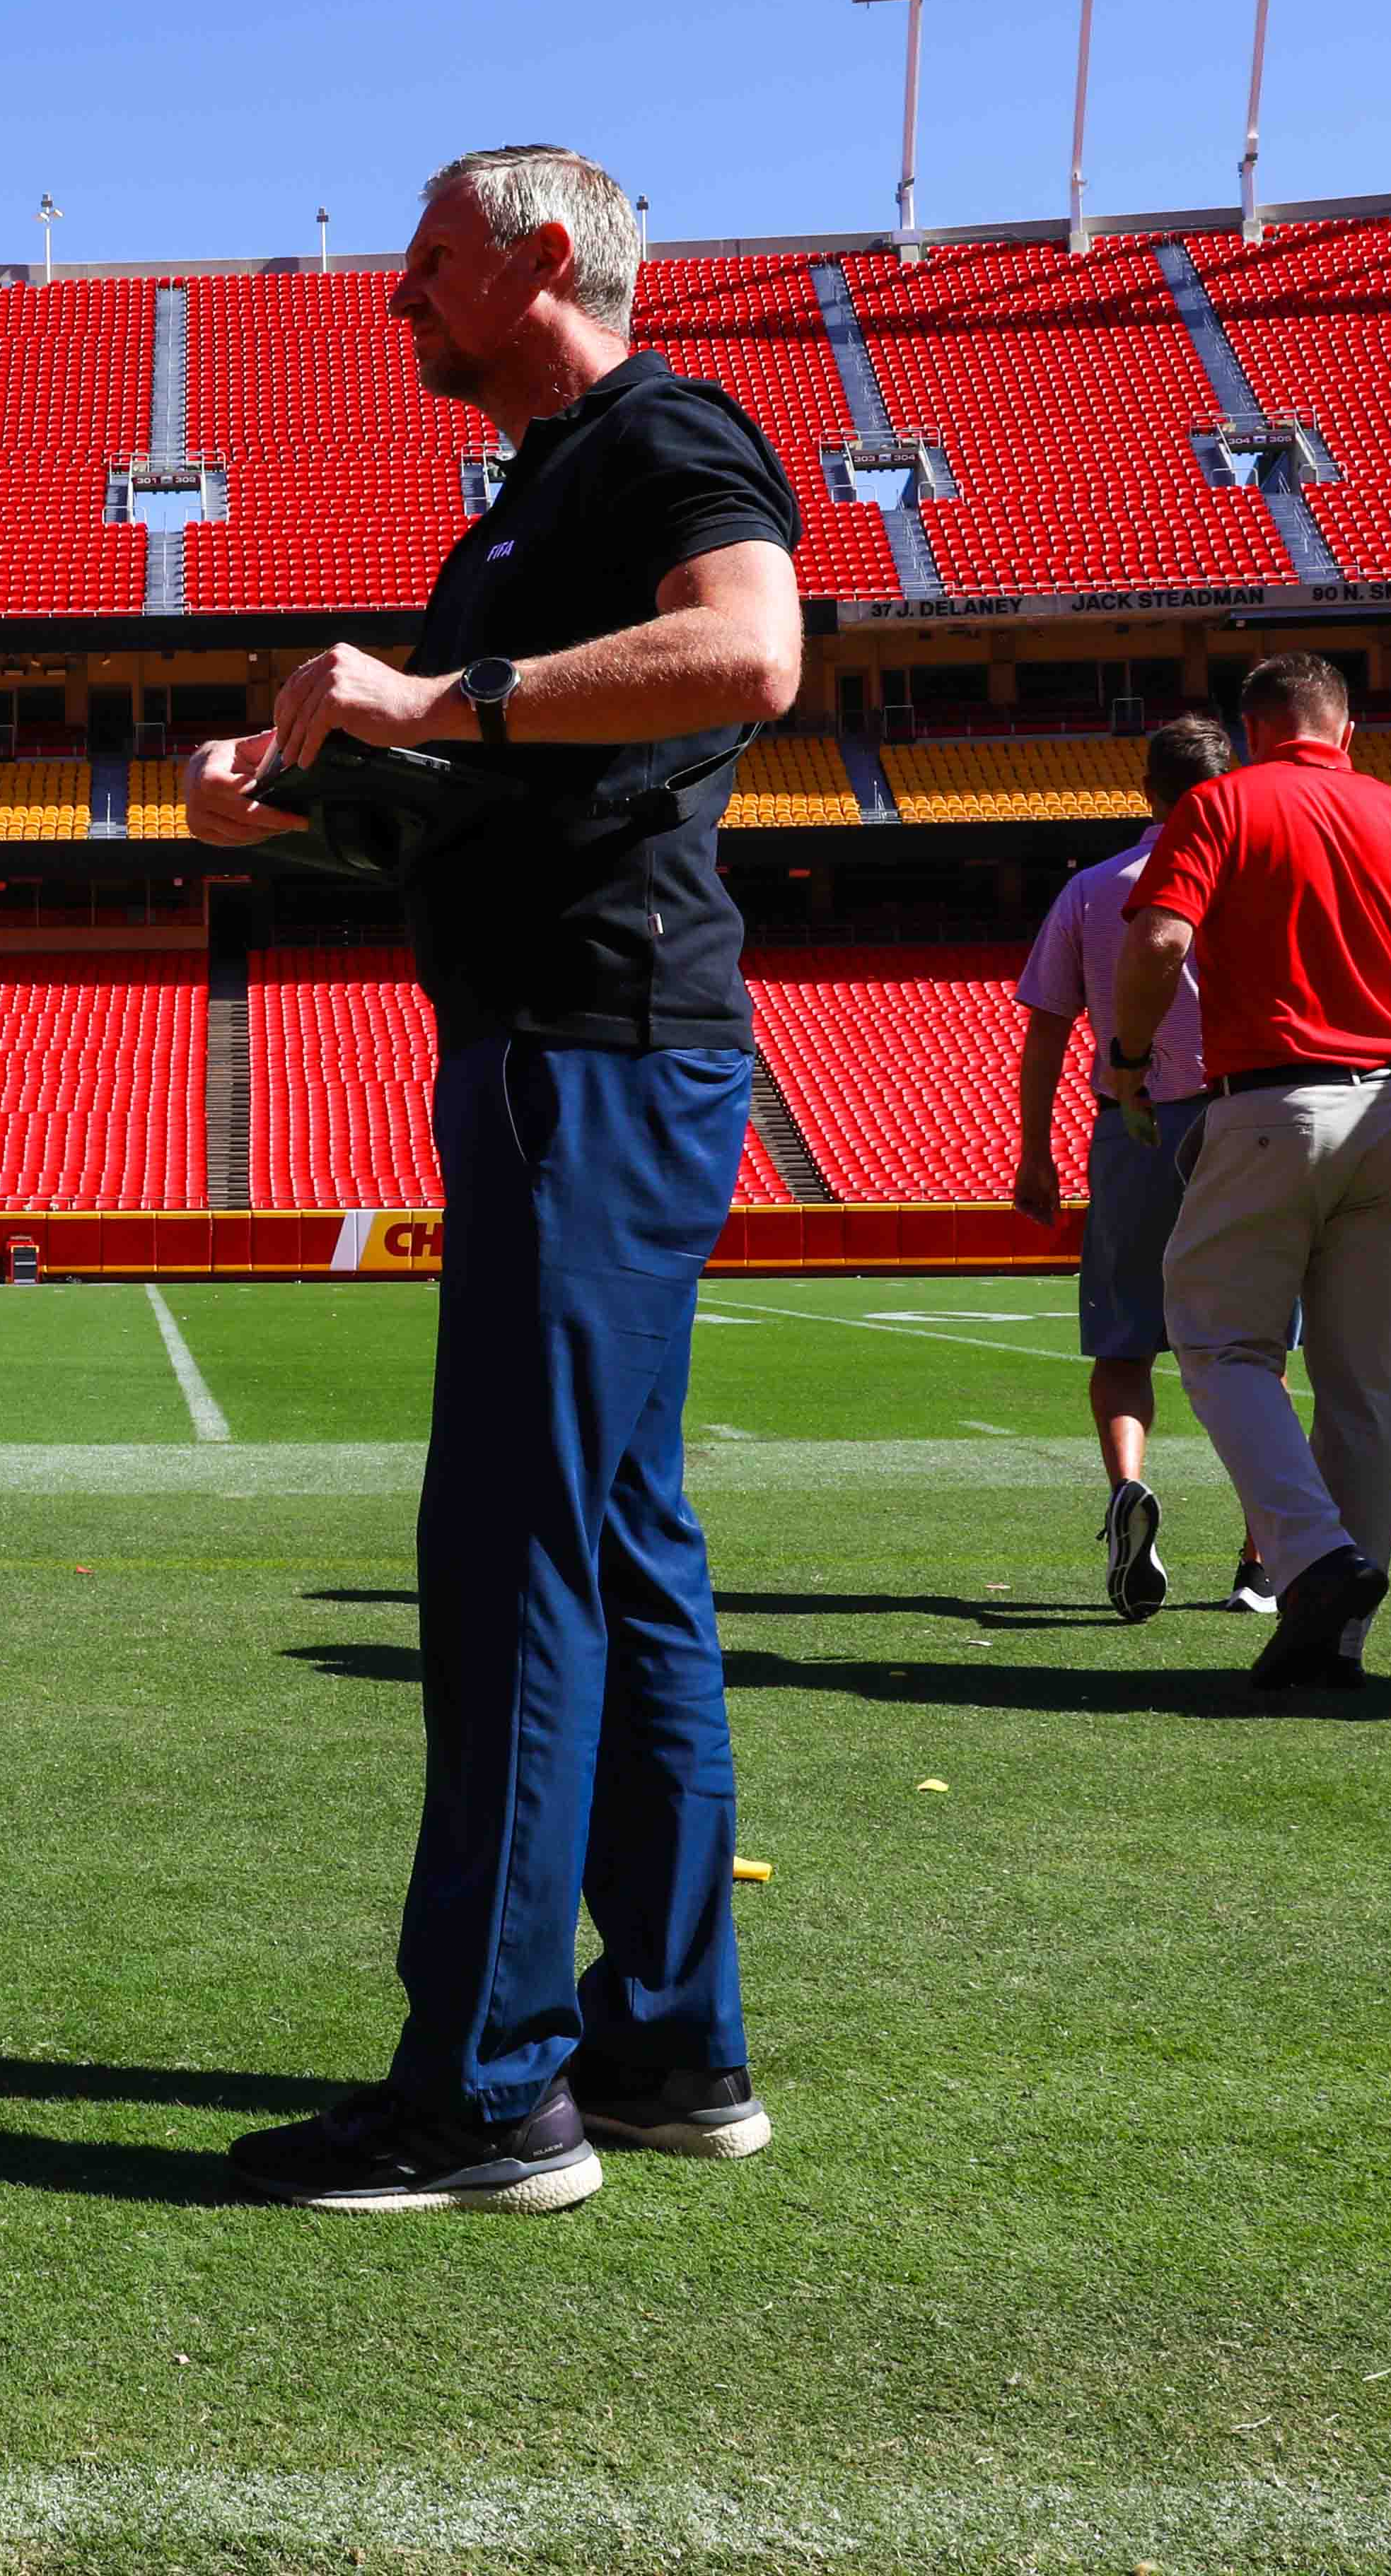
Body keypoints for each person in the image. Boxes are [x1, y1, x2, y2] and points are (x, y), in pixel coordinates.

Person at [186, 144, 805, 2215]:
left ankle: (483, 2087)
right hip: (585, 1043)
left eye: (428, 266)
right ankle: (667, 2045)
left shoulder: (661, 434)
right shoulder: (519, 506)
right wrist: (279, 803)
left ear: (543, 259)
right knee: (623, 1547)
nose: (397, 306)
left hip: (590, 1051)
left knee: (512, 1557)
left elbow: (748, 651)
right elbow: (463, 809)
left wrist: (425, 693)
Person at [1102, 653, 1391, 1699]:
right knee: (1364, 1380)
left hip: (1273, 1097)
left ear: (1253, 725)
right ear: (1345, 727)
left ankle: (1317, 1562)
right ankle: (1333, 1647)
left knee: (1215, 1338)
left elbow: (1158, 937)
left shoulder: (1225, 803)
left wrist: (1132, 1063)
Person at [1010, 712, 1269, 1620]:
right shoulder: (1259, 878)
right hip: (1248, 1120)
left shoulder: (1092, 887)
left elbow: (1046, 1022)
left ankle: (1128, 1490)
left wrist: (1035, 1148)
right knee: (1252, 1345)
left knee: (1124, 1340)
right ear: (1227, 783)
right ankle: (1259, 1554)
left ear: (1146, 790)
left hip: (1136, 1122)